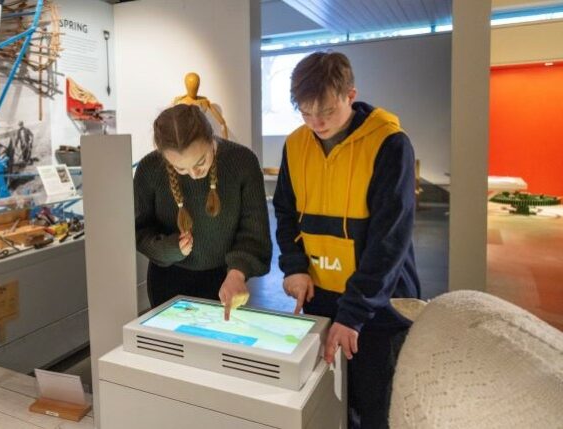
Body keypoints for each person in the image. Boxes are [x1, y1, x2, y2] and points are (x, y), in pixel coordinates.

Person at [273, 51, 421, 428]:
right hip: (320, 297)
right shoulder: (295, 144)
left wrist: (354, 314)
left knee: (377, 407)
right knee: (328, 399)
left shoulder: (390, 143)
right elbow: (287, 213)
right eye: (305, 113)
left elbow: (390, 241)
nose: (316, 122)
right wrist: (294, 267)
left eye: (325, 110)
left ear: (350, 94)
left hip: (378, 306)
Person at [134, 104, 271, 319]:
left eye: (201, 161)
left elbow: (254, 231)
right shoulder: (149, 169)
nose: (194, 174)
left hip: (226, 279)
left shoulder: (242, 162)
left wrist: (238, 272)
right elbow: (140, 231)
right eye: (180, 169)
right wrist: (170, 248)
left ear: (211, 139)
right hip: (168, 282)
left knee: (222, 348)